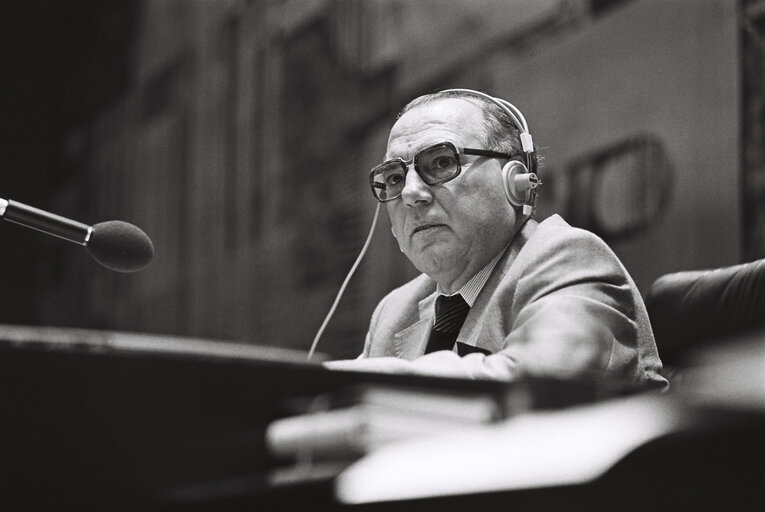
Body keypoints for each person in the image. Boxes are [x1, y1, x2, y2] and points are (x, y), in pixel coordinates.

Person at [325, 88, 667, 389]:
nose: (411, 193)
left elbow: (540, 385)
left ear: (515, 180)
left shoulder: (569, 258)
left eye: (442, 162)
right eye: (396, 178)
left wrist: (376, 383)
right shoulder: (393, 312)